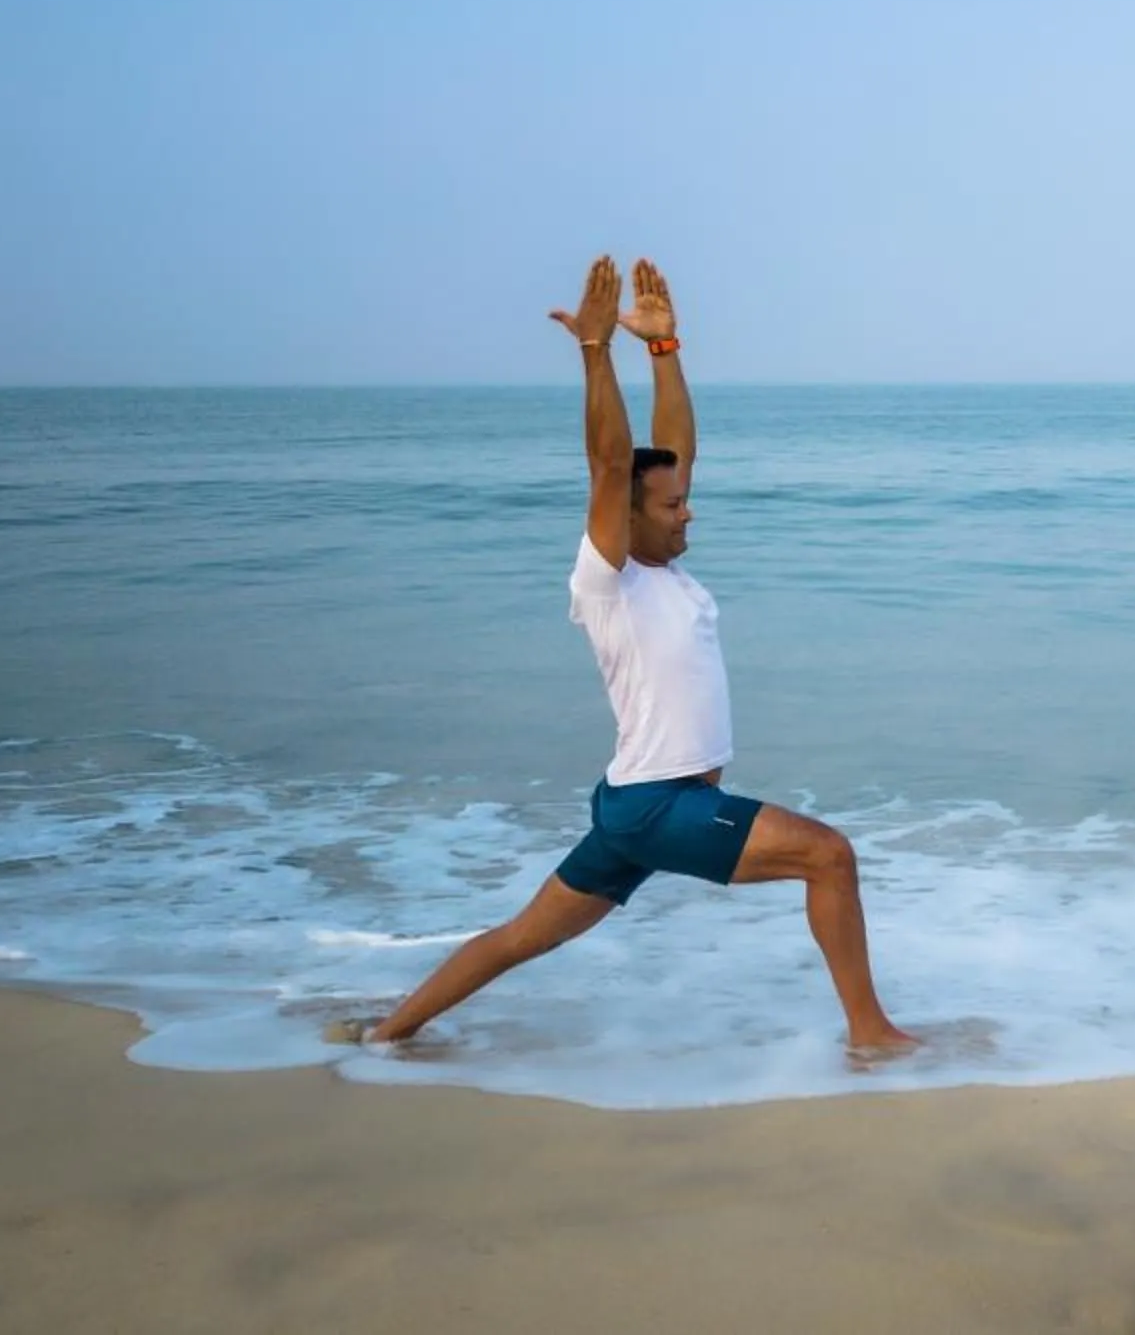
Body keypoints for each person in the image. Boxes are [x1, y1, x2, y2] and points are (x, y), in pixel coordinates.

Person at [350, 256, 918, 1056]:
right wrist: (594, 351)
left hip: (634, 806)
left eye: (687, 500)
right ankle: (872, 1036)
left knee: (522, 938)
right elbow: (612, 464)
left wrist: (664, 348)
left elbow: (667, 452)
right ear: (629, 515)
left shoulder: (666, 571)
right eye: (674, 506)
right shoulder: (605, 579)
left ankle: (383, 1034)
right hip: (658, 804)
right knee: (828, 857)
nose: (689, 515)